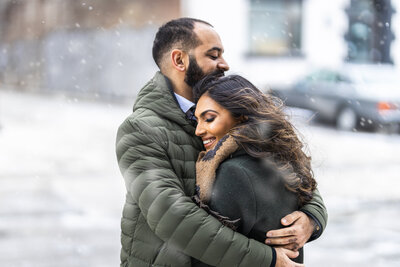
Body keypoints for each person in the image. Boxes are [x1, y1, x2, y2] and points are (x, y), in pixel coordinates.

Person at [116, 17, 328, 267]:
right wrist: (265, 260)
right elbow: (170, 215)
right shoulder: (141, 129)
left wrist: (311, 217)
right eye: (213, 55)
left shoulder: (229, 109)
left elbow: (290, 166)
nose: (224, 64)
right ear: (179, 60)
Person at [192, 74, 320, 266]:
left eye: (209, 119)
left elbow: (207, 256)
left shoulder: (234, 173)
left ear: (241, 116)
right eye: (197, 121)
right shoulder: (281, 158)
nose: (198, 130)